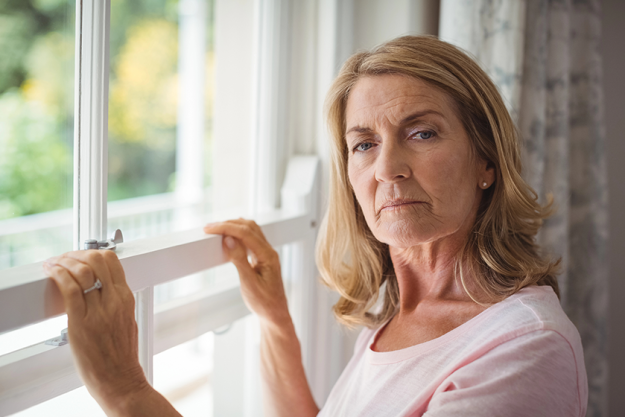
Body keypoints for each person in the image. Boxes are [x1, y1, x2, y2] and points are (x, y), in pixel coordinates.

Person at [45, 35, 587, 416]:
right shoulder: (399, 314)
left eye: (422, 133)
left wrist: (125, 391)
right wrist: (277, 324)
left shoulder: (524, 349)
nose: (387, 168)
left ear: (486, 161)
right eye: (364, 144)